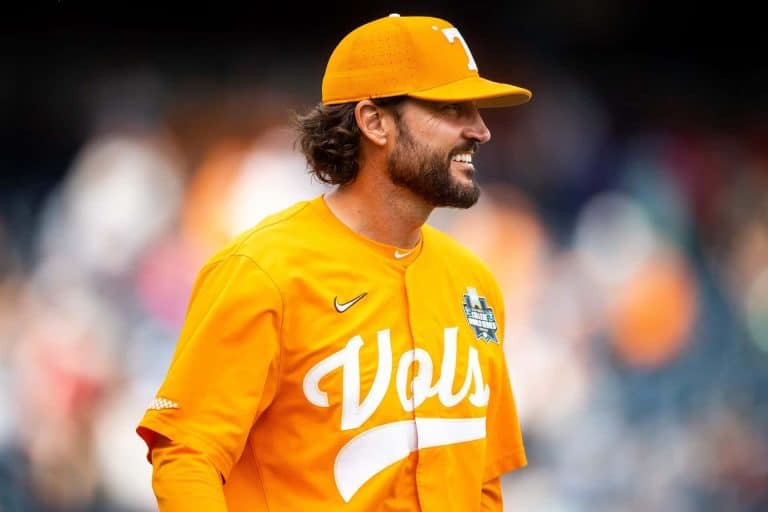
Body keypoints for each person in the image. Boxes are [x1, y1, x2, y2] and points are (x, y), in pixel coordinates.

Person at [137, 13, 532, 512]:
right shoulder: (264, 270)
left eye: (475, 109)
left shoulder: (474, 284)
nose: (479, 130)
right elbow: (186, 456)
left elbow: (481, 484)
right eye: (450, 107)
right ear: (373, 121)